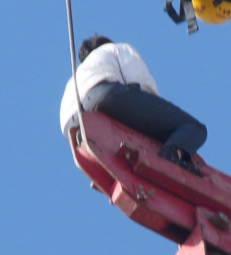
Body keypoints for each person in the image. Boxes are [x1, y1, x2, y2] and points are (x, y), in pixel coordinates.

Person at [60, 35, 206, 174]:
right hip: (103, 96)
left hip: (71, 127)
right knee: (194, 128)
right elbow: (141, 81)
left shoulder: (73, 78)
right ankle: (171, 154)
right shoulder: (116, 48)